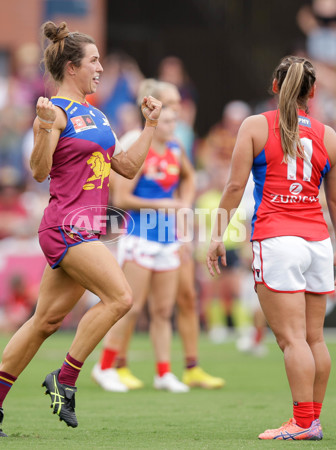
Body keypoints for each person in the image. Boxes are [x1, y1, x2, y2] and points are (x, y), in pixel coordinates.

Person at [0, 21, 162, 437]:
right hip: (64, 227)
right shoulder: (54, 111)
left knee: (45, 321)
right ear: (71, 67)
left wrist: (149, 128)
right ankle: (66, 378)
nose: (101, 68)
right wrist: (43, 128)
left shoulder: (96, 114)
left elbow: (125, 167)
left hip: (85, 231)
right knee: (121, 296)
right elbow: (38, 171)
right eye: (94, 60)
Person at [206, 56, 336, 440]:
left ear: (275, 85)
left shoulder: (255, 126)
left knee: (292, 339)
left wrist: (217, 234)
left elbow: (235, 187)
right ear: (313, 92)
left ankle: (303, 422)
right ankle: (312, 420)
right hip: (318, 241)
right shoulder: (330, 137)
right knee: (314, 338)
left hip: (277, 239)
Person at [93, 80, 223, 392]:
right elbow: (121, 197)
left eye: (175, 118)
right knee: (132, 305)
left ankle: (164, 372)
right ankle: (106, 365)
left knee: (164, 311)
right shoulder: (139, 146)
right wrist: (163, 203)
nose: (173, 122)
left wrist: (183, 205)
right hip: (141, 234)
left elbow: (189, 178)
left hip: (168, 236)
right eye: (167, 117)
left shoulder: (176, 148)